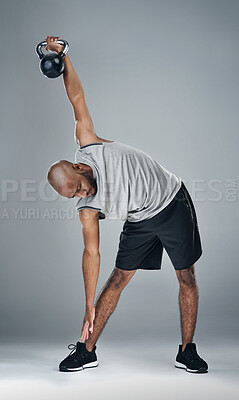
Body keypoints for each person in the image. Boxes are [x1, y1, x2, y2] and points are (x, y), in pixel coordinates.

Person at [45, 35, 208, 374]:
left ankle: (187, 350)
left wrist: (65, 56)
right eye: (72, 197)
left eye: (77, 188)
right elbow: (92, 254)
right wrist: (88, 306)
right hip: (140, 219)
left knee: (186, 276)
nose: (80, 196)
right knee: (118, 277)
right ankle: (87, 350)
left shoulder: (89, 144)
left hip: (170, 201)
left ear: (78, 168)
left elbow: (76, 96)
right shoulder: (86, 209)